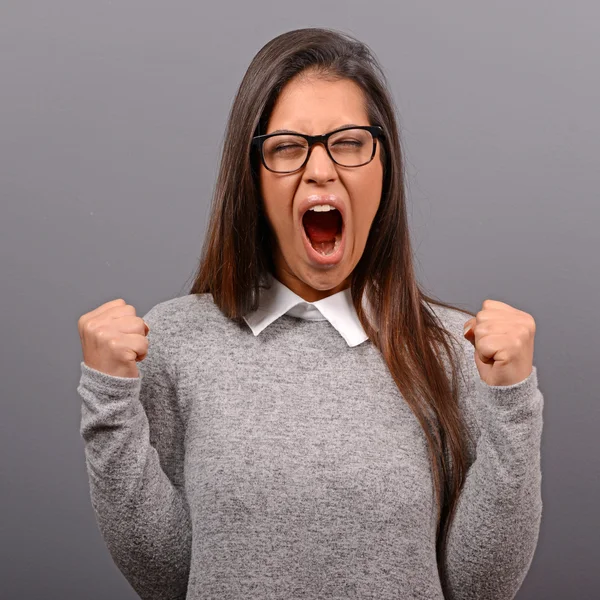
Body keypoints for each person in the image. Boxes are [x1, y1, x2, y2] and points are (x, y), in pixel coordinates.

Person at [76, 27, 544, 600]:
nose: (321, 170)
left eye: (348, 143)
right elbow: (172, 578)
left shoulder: (458, 349)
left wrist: (514, 405)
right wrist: (109, 405)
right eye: (288, 147)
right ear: (252, 179)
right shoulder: (175, 340)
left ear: (384, 170)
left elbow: (480, 588)